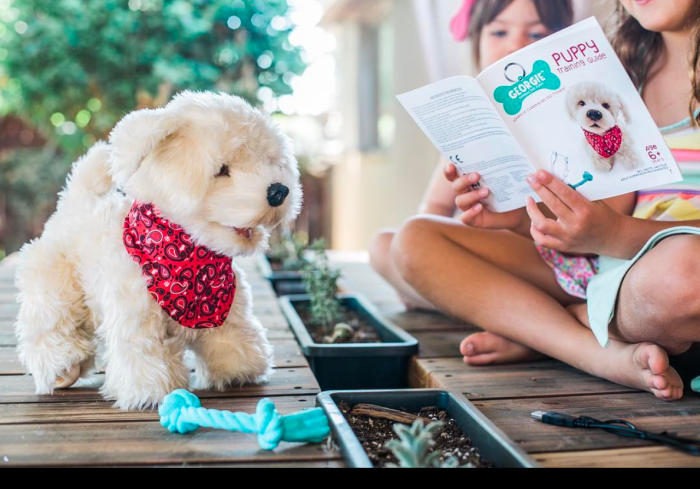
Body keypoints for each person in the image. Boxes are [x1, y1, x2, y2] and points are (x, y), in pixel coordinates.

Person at [390, 0, 700, 400]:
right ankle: (590, 350)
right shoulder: (624, 67)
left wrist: (613, 234)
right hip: (616, 271)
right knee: (413, 240)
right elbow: (611, 211)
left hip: (661, 277)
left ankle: (554, 327)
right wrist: (515, 219)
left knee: (683, 273)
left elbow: (618, 232)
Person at [369, 0, 574, 311]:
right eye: (499, 32)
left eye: (535, 35)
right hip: (482, 253)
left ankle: (513, 318)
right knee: (384, 245)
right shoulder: (473, 121)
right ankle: (503, 314)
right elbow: (435, 207)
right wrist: (412, 260)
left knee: (408, 244)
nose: (514, 46)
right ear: (477, 41)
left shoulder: (568, 113)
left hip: (548, 259)